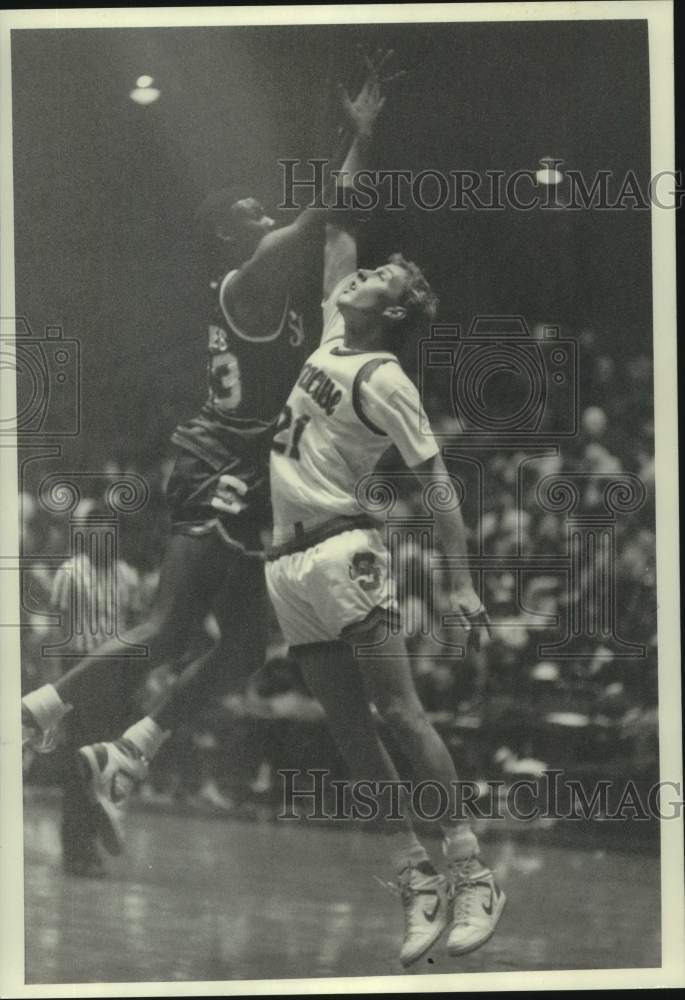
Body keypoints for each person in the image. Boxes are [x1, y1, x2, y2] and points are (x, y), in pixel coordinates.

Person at [21, 55, 391, 857]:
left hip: (250, 477)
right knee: (166, 628)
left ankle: (127, 750)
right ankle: (32, 714)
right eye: (254, 212)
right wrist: (351, 136)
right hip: (217, 463)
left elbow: (336, 222)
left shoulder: (283, 298)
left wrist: (357, 146)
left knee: (246, 646)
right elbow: (321, 213)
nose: (267, 217)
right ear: (229, 232)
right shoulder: (249, 278)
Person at [258, 199, 506, 963]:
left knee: (397, 712)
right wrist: (359, 140)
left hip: (343, 551)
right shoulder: (336, 333)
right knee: (348, 731)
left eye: (378, 276)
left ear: (391, 308)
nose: (359, 274)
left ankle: (470, 872)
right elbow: (337, 231)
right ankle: (414, 876)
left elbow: (435, 481)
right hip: (286, 564)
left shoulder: (385, 374)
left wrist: (459, 580)